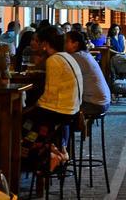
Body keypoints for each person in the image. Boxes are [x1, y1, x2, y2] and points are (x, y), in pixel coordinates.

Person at [22, 26, 82, 167]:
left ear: (45, 43)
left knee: (22, 122)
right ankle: (54, 149)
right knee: (29, 119)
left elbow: (50, 94)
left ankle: (45, 157)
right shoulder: (67, 57)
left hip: (60, 112)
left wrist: (34, 106)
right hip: (72, 110)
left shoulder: (54, 60)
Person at [65, 30, 110, 117]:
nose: (64, 44)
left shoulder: (77, 57)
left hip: (95, 103)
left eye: (67, 41)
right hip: (102, 100)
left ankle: (73, 129)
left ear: (75, 44)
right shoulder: (84, 54)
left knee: (63, 111)